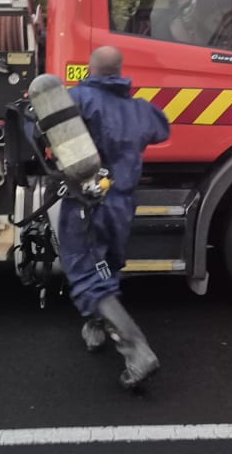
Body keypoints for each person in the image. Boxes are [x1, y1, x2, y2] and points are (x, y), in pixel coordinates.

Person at [57, 45, 170, 389]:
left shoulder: (76, 99)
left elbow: (38, 131)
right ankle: (95, 324)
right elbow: (161, 130)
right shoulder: (140, 109)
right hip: (121, 202)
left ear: (89, 68)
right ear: (120, 70)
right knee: (106, 263)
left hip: (85, 203)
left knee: (84, 271)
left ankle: (137, 352)